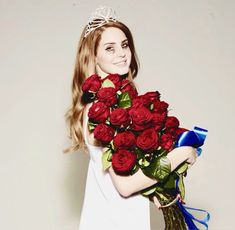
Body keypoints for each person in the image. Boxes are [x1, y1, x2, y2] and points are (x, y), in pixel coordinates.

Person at [64, 6, 197, 230]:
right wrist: (180, 155)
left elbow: (123, 177)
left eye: (124, 45)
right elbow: (125, 186)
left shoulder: (114, 102)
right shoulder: (101, 109)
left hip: (120, 219)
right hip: (113, 222)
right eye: (110, 48)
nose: (122, 54)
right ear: (93, 57)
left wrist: (155, 191)